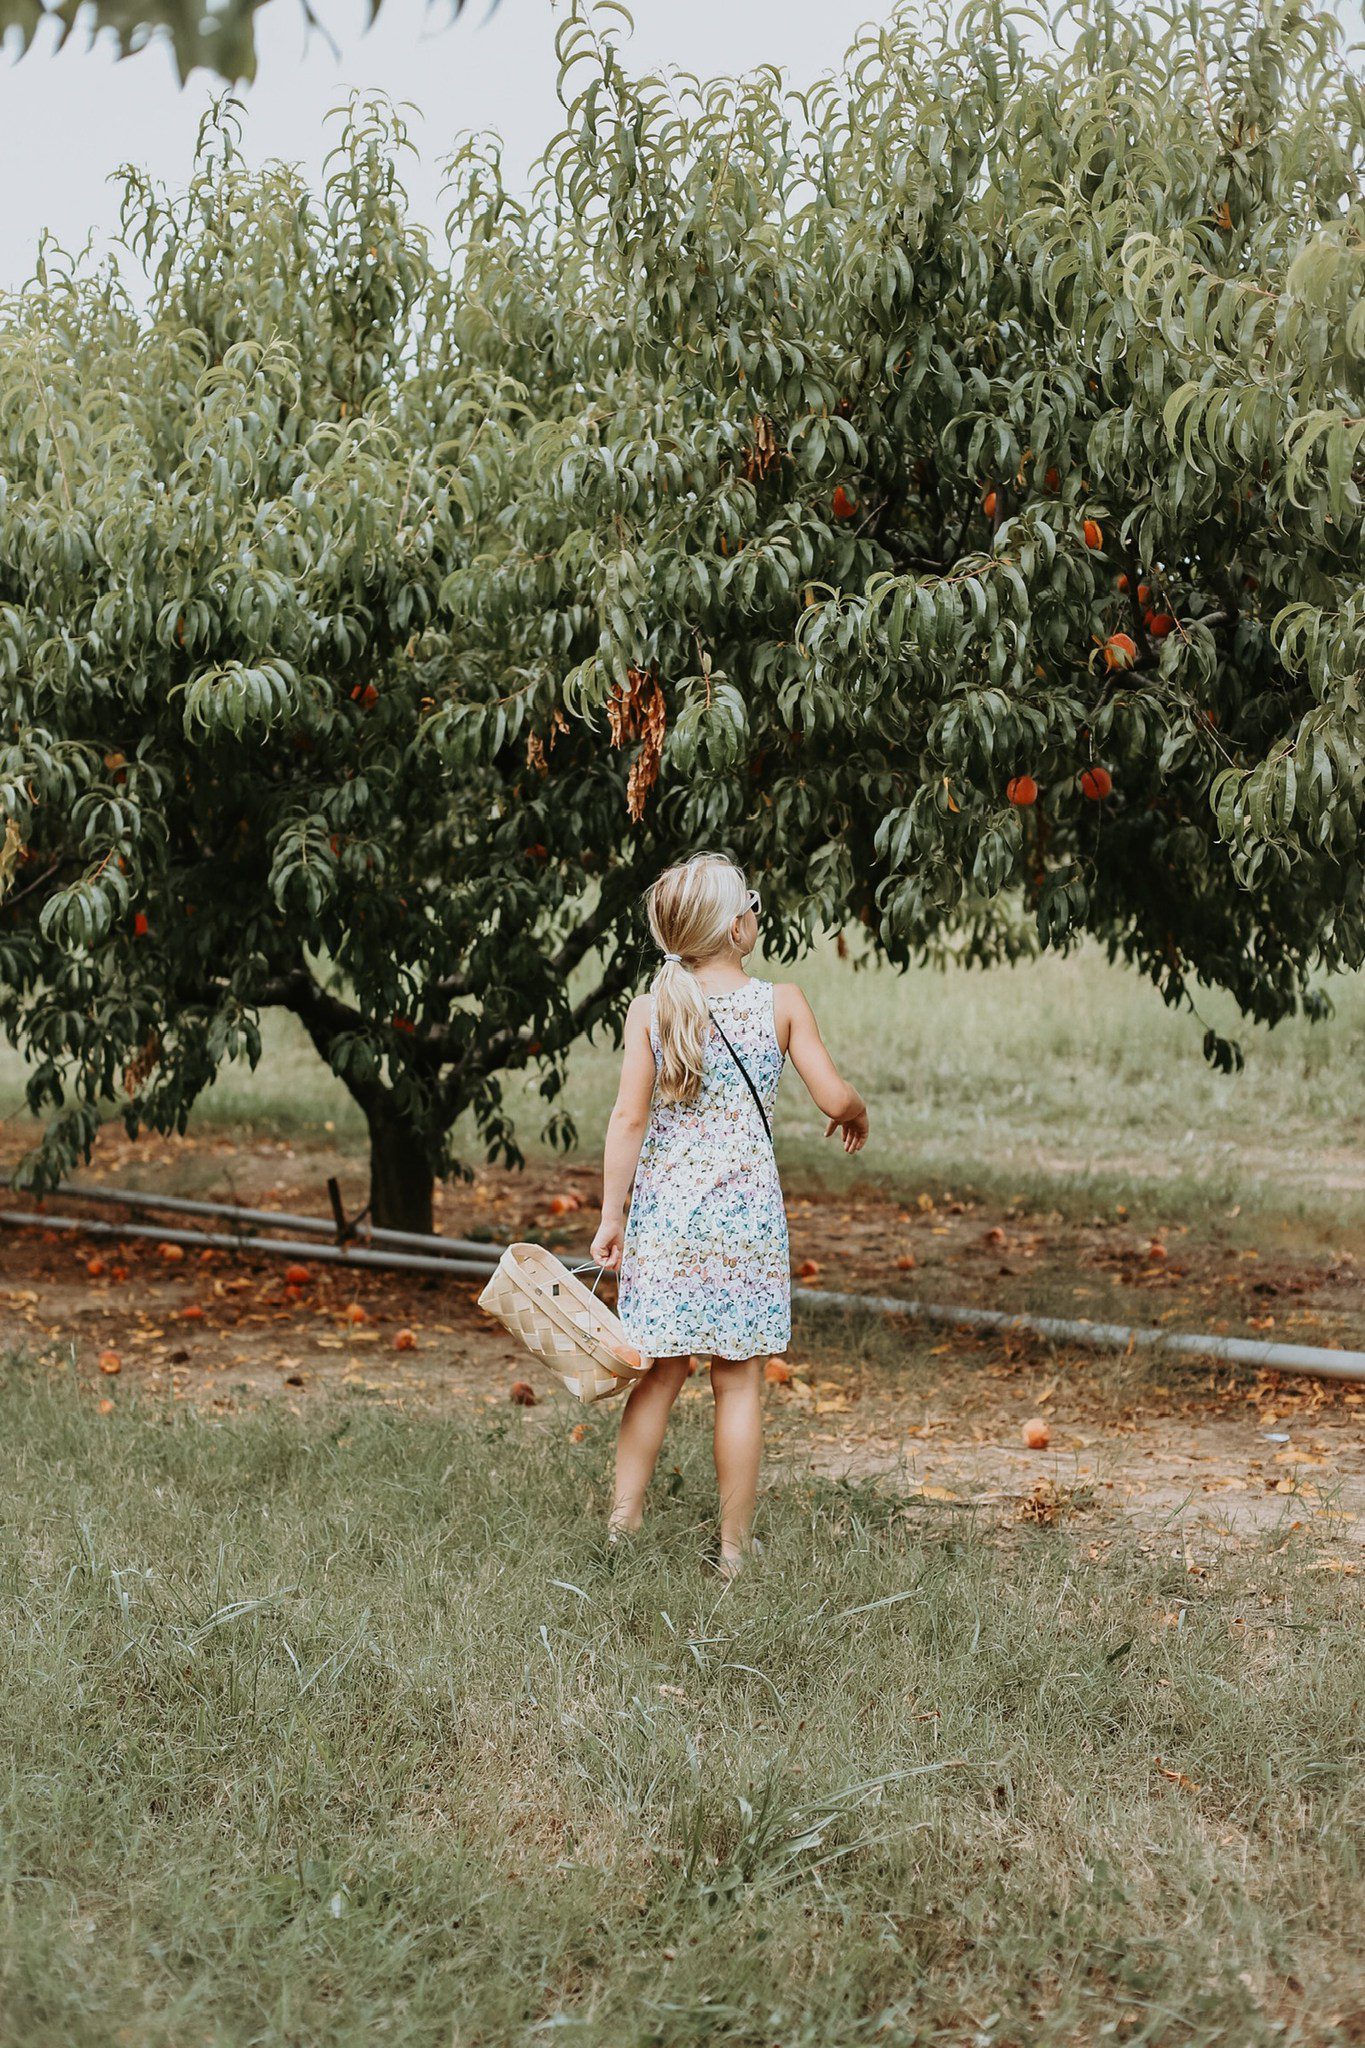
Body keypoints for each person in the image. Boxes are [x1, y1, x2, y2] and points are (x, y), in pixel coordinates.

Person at [590, 852, 869, 1576]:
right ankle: (733, 1552)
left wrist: (609, 1216)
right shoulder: (781, 1002)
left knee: (659, 1372)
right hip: (743, 1223)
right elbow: (832, 1097)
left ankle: (622, 1529)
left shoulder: (652, 1010)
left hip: (666, 1220)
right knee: (738, 1380)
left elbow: (627, 1120)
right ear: (736, 927)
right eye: (750, 903)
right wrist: (855, 1111)